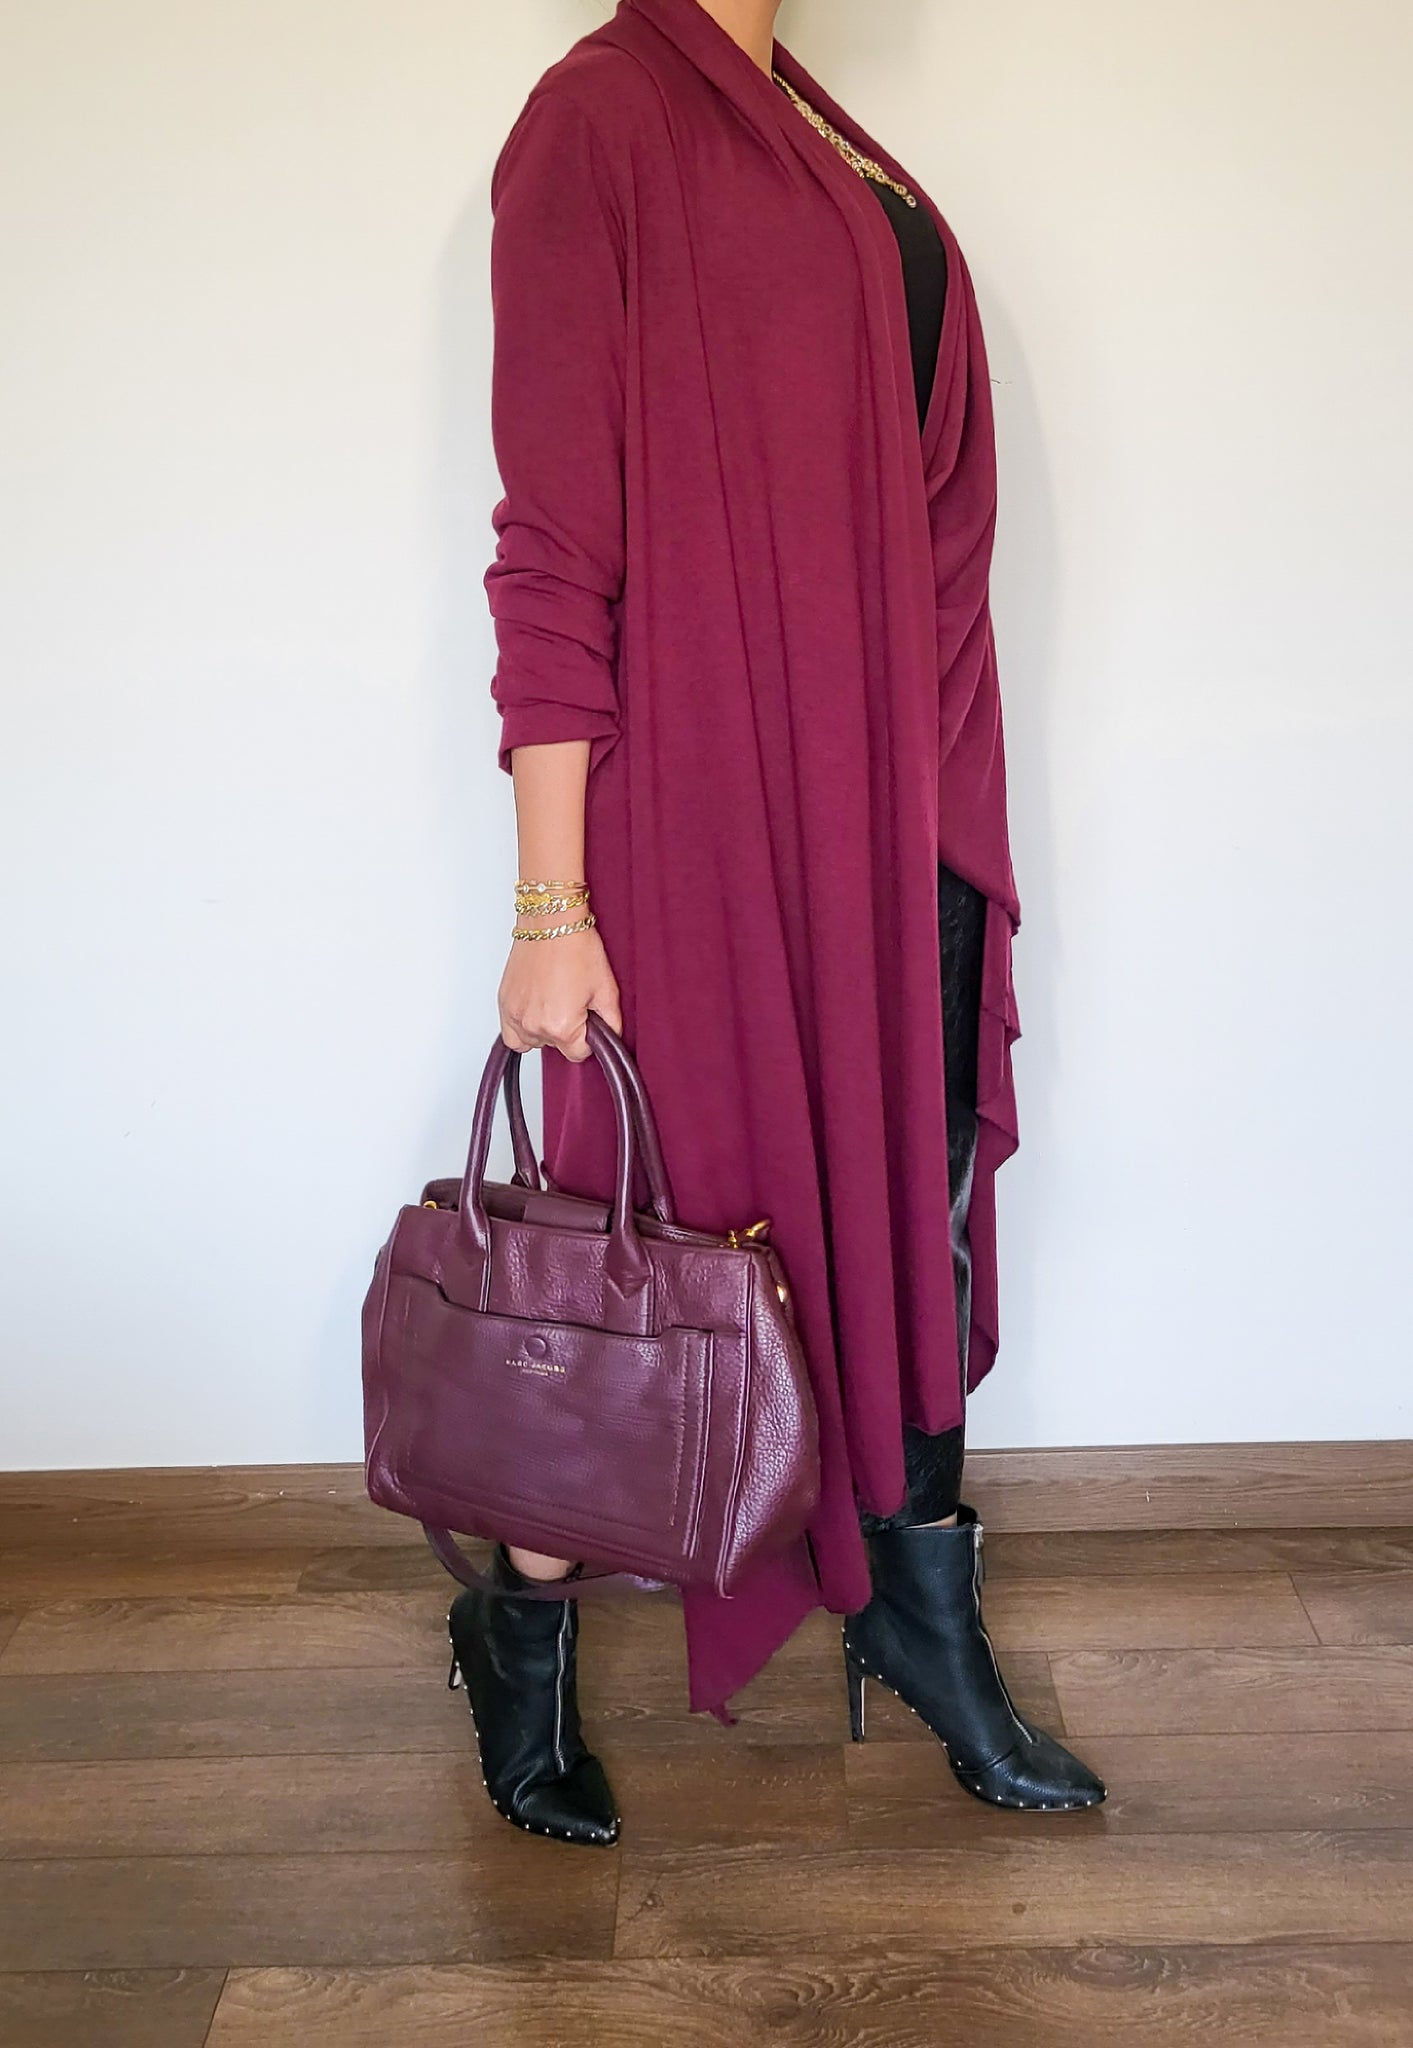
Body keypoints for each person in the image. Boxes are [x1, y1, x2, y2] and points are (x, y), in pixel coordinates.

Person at [445, 0, 1106, 1845]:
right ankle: (517, 1628)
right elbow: (552, 544)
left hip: (898, 810)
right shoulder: (599, 119)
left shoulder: (814, 130)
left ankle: (917, 1604)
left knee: (911, 1205)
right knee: (642, 1237)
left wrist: (934, 798)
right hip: (712, 824)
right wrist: (551, 902)